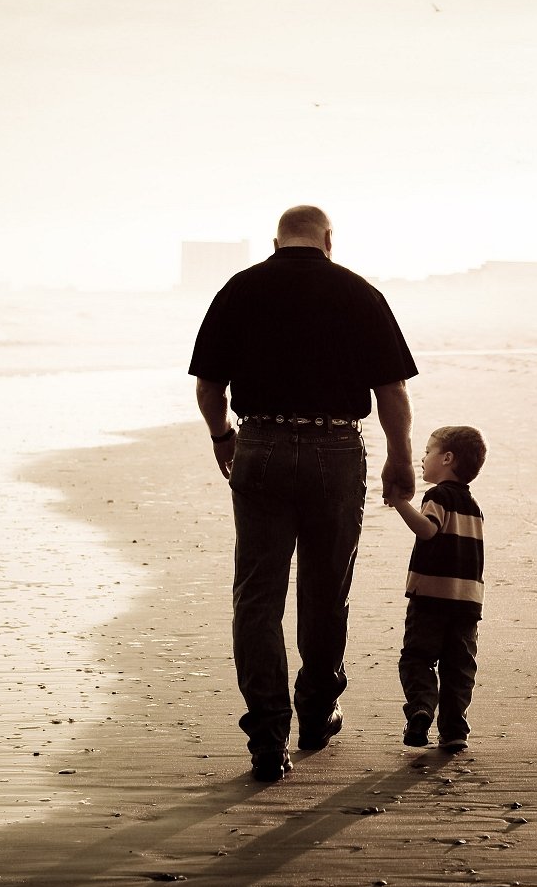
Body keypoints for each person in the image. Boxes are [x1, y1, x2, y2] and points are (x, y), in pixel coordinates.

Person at [189, 206, 418, 782]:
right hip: (335, 449)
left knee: (258, 593)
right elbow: (389, 389)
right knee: (325, 587)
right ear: (329, 240)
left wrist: (223, 436)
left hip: (260, 445)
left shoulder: (239, 289)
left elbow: (209, 386)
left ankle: (268, 736)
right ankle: (316, 713)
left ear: (276, 241)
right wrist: (400, 456)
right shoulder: (359, 293)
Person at [386, 425, 486, 753]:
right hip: (466, 601)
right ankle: (455, 729)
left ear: (446, 458)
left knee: (417, 657)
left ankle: (421, 708)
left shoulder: (438, 495)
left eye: (427, 451)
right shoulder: (474, 507)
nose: (422, 459)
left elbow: (428, 530)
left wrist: (400, 503)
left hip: (430, 597)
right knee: (459, 666)